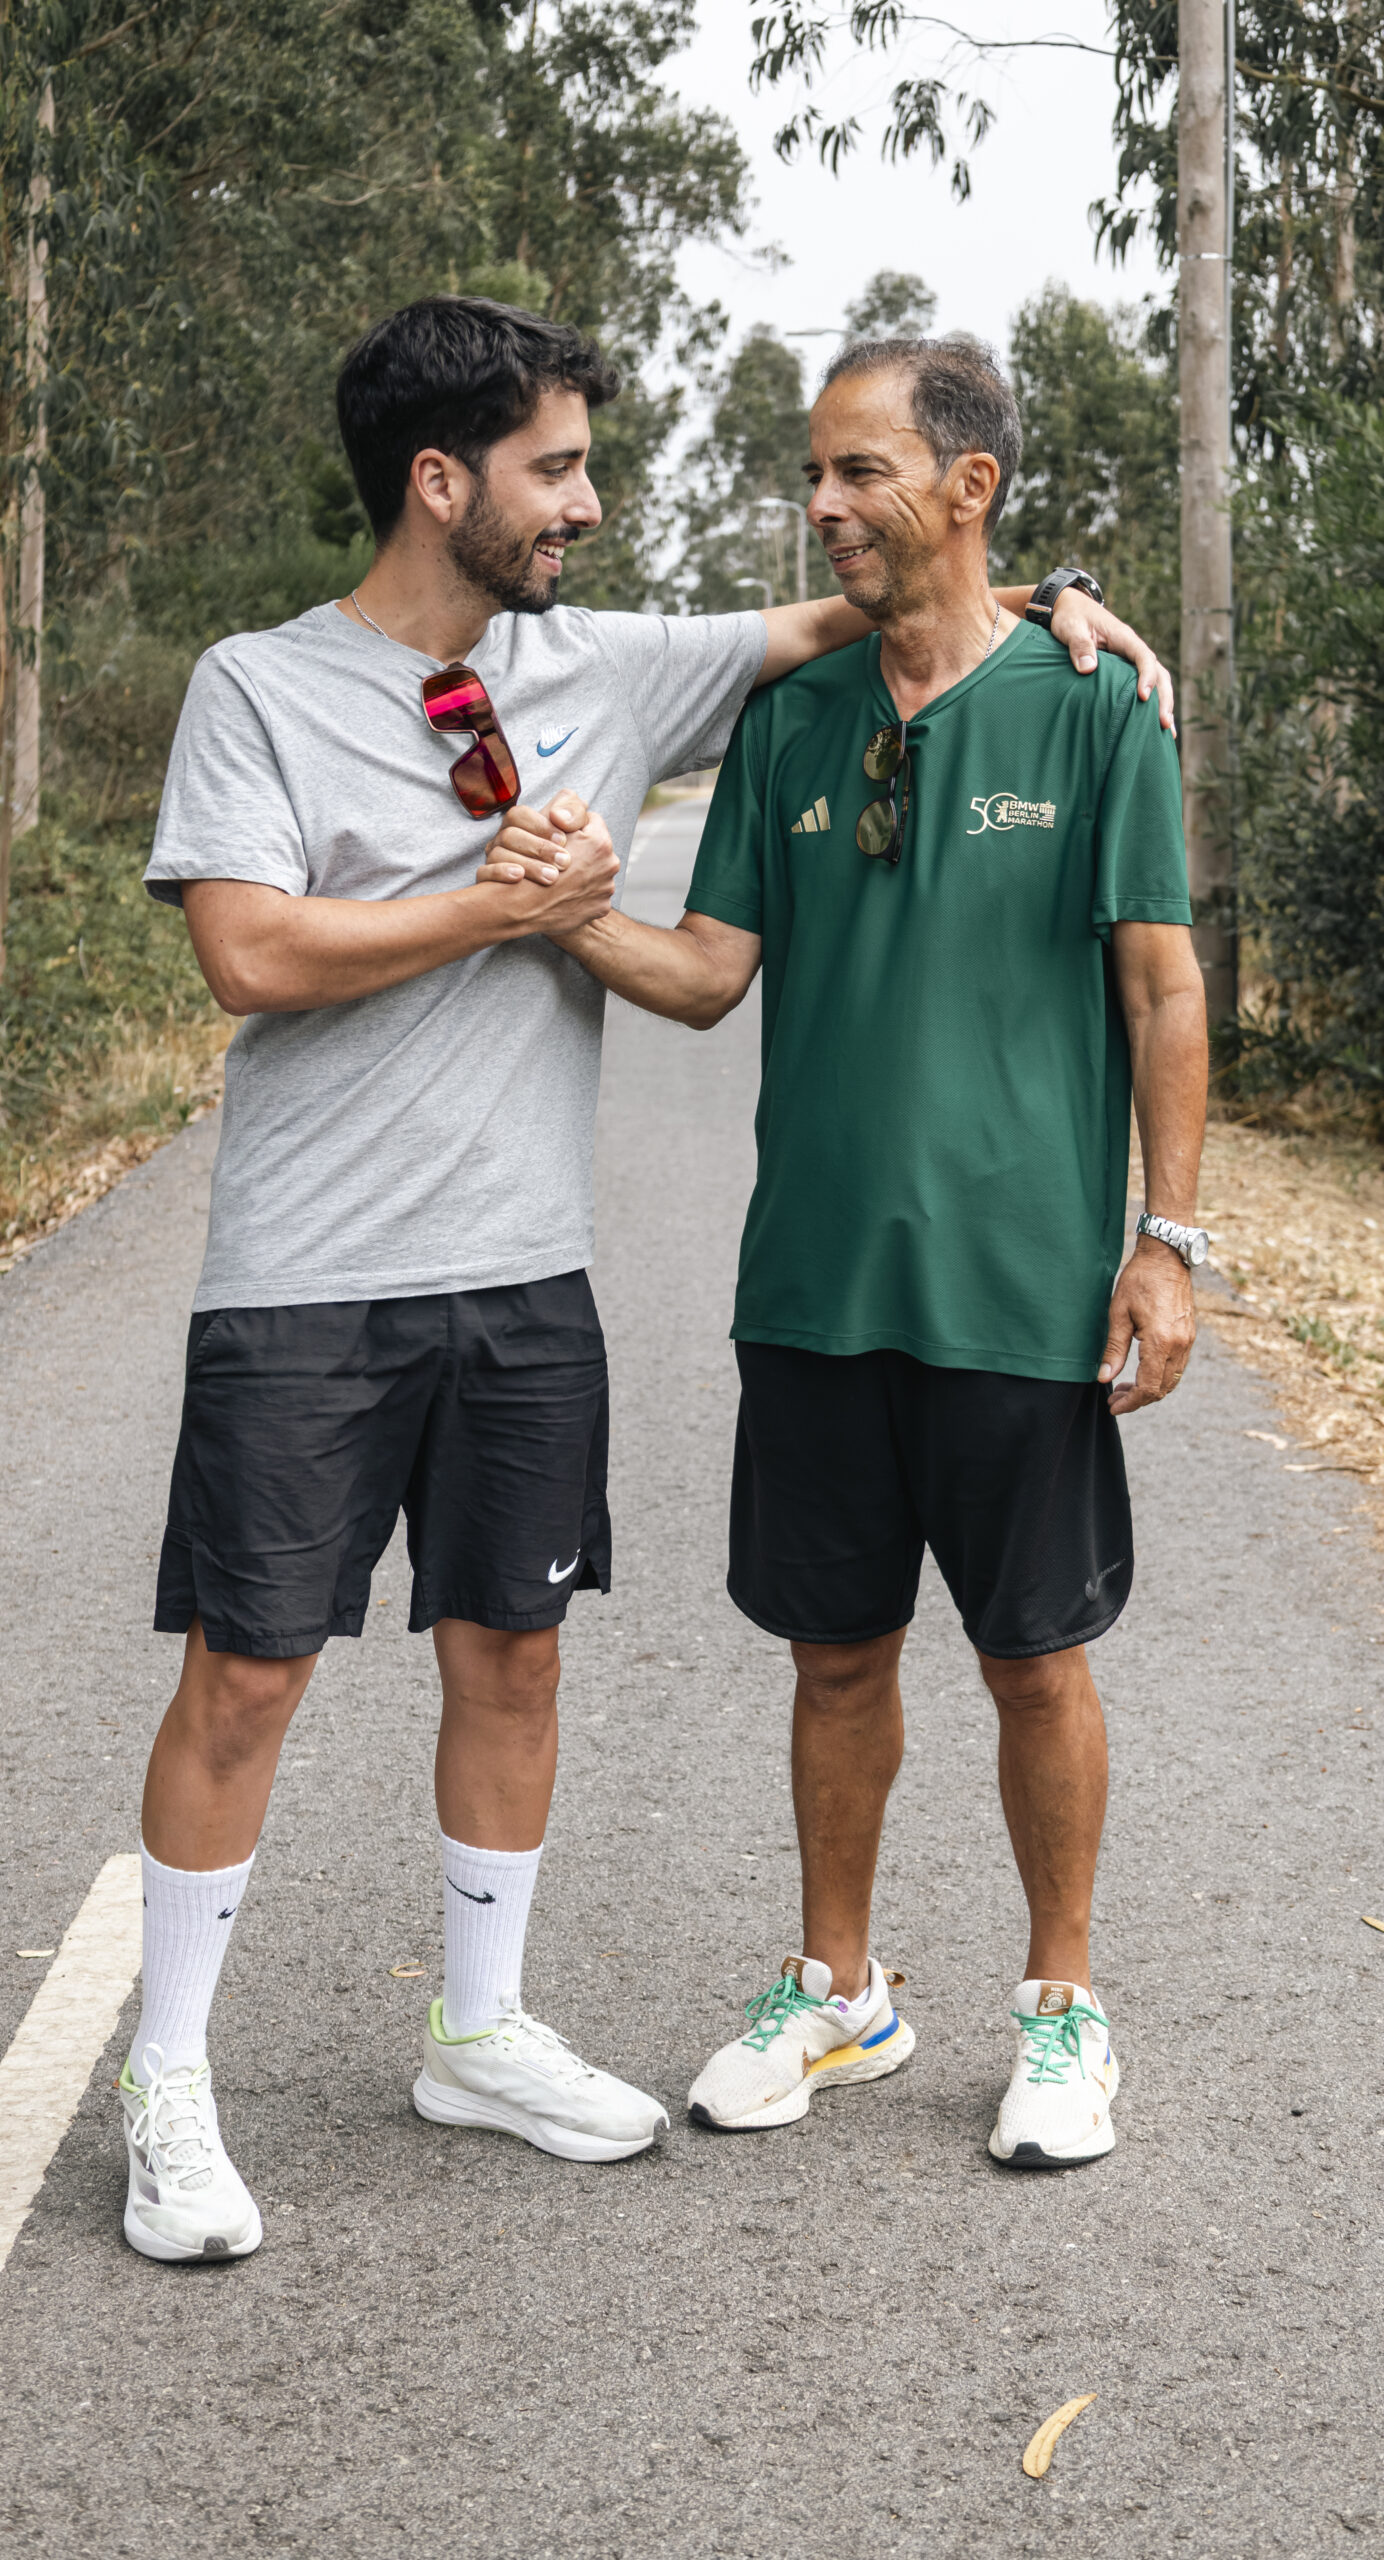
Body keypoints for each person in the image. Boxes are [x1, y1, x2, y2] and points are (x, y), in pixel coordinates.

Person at [124, 296, 1174, 2263]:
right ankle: (165, 2073)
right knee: (249, 1670)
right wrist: (495, 906)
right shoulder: (255, 686)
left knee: (513, 1656)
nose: (591, 506)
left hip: (530, 1273)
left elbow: (884, 595)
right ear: (442, 482)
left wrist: (1065, 600)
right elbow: (250, 954)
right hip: (306, 1275)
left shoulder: (603, 668)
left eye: (590, 467)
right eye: (558, 469)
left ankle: (481, 2031)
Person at [484, 331, 1206, 2171]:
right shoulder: (795, 720)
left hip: (1021, 1290)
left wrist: (1167, 1241)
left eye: (856, 472)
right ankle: (841, 1990)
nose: (822, 505)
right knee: (833, 1658)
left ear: (969, 487)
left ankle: (1064, 2007)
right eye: (814, 473)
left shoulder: (1094, 709)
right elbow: (708, 974)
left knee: (1035, 1659)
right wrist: (567, 916)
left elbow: (1161, 988)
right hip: (812, 1287)